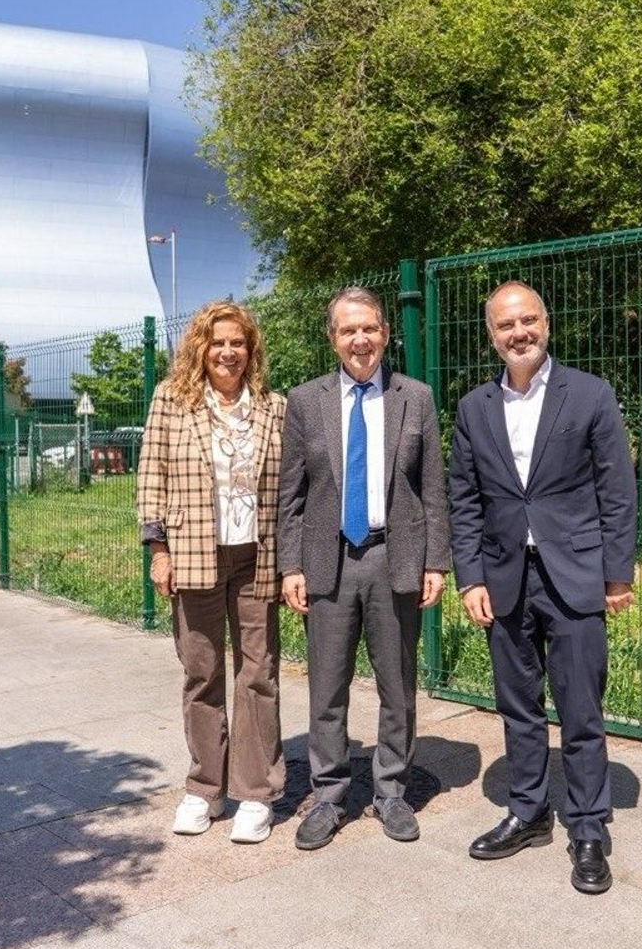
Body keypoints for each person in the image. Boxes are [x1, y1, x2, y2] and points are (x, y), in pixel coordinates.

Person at [449, 281, 637, 894]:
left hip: (575, 575)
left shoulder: (589, 394)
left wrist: (617, 573)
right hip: (504, 577)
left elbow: (616, 490)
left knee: (581, 708)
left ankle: (588, 827)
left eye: (528, 320)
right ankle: (528, 811)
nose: (519, 333)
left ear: (546, 324)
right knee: (518, 705)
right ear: (491, 335)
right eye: (506, 325)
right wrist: (470, 577)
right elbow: (464, 500)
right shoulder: (474, 408)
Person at [277, 286, 451, 850]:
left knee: (397, 685)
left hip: (394, 558)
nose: (360, 340)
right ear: (333, 338)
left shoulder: (415, 397)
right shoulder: (306, 401)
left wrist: (436, 561)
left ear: (385, 333)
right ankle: (329, 795)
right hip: (326, 563)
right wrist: (290, 566)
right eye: (349, 330)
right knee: (327, 688)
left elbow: (433, 488)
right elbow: (291, 495)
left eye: (370, 328)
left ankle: (392, 791)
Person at [136, 301, 287, 844]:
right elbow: (151, 476)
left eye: (238, 343)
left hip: (257, 557)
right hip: (193, 553)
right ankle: (204, 788)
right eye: (218, 342)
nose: (228, 352)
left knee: (258, 673)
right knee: (201, 673)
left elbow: (290, 485)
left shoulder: (274, 407)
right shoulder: (171, 400)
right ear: (200, 347)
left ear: (251, 350)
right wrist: (158, 550)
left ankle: (256, 793)